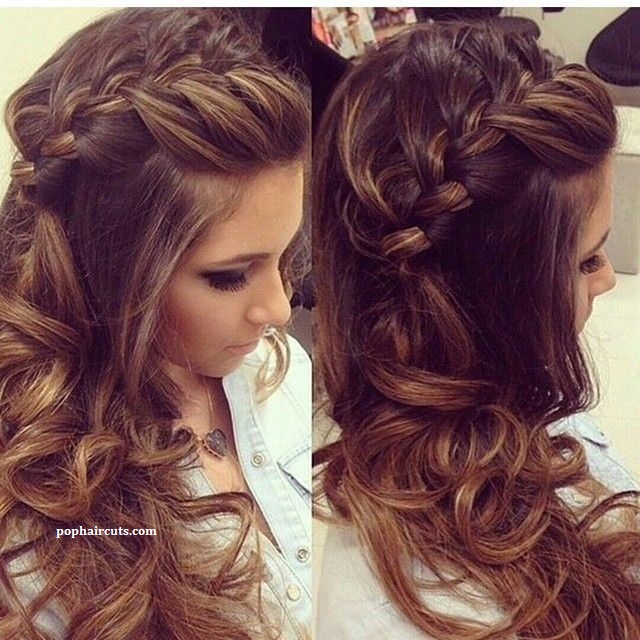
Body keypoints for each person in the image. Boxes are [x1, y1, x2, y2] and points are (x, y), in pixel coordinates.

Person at [313, 20, 640, 640]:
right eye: (586, 260)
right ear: (496, 300)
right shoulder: (416, 616)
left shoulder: (533, 399)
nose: (607, 280)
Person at [0, 8, 310, 640]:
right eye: (230, 276)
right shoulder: (48, 520)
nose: (279, 310)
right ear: (108, 266)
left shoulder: (281, 369)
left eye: (285, 257)